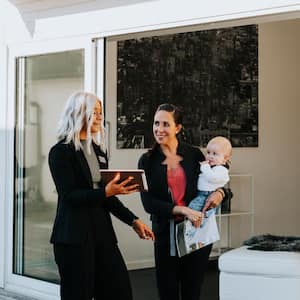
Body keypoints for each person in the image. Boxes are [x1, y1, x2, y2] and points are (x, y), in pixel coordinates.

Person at [48, 91, 154, 300]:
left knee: (120, 291)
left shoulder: (98, 150)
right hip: (73, 238)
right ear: (78, 113)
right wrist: (105, 191)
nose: (99, 117)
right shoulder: (60, 152)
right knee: (78, 294)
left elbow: (106, 198)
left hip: (102, 234)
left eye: (100, 112)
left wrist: (133, 220)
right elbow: (69, 196)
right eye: (94, 112)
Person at [138, 103, 226, 300]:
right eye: (156, 123)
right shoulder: (147, 161)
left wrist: (221, 193)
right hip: (165, 235)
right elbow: (149, 204)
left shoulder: (194, 154)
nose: (159, 129)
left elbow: (215, 181)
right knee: (167, 291)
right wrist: (183, 210)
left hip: (197, 233)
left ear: (177, 128)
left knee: (192, 291)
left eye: (165, 124)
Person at [189, 136, 232, 226]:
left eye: (215, 154)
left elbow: (212, 178)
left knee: (193, 210)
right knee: (198, 213)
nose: (210, 156)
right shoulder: (212, 167)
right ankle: (198, 229)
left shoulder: (221, 169)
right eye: (208, 152)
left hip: (207, 195)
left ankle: (198, 229)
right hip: (201, 194)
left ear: (225, 158)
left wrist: (204, 166)